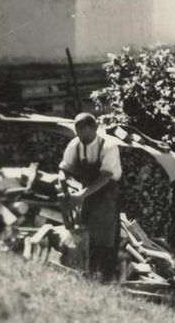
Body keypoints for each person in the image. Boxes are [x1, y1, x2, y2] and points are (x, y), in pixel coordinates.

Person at [60, 112, 122, 282]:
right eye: (78, 133)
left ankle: (104, 277)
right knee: (83, 231)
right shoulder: (76, 144)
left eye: (84, 134)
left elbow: (106, 176)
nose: (81, 138)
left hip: (106, 193)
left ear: (94, 129)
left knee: (104, 236)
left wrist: (82, 194)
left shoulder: (108, 145)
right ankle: (84, 272)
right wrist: (63, 183)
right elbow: (64, 168)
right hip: (86, 192)